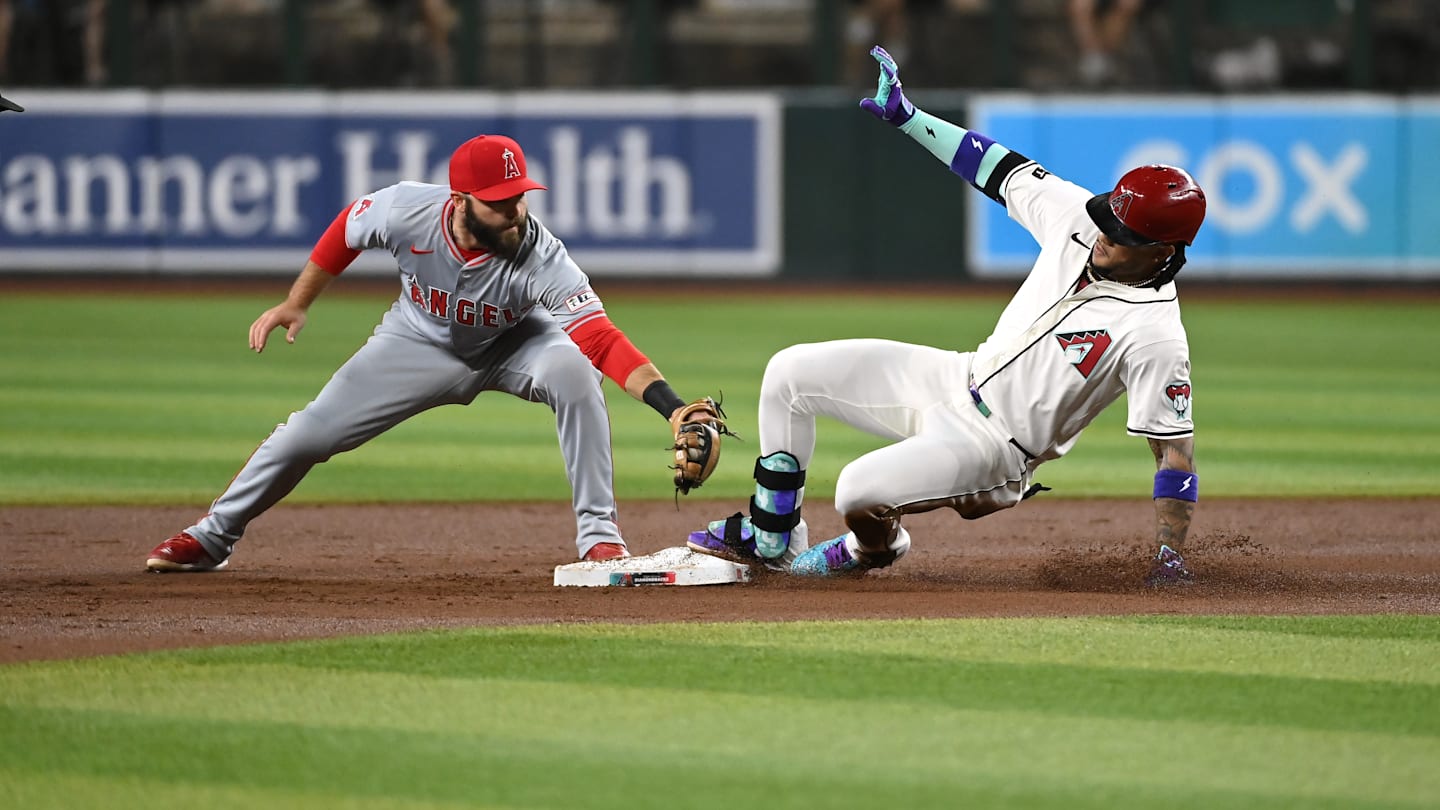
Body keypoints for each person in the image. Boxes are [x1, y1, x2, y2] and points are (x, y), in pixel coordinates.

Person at [686, 45, 1204, 586]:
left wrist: (1170, 556)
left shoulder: (1154, 335)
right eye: (1108, 219)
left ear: (1162, 252)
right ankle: (773, 537)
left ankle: (873, 548)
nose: (1104, 235)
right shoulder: (1079, 218)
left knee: (856, 490)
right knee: (788, 374)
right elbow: (997, 167)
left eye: (1122, 235)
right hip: (955, 375)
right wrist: (909, 118)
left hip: (996, 448)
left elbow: (1175, 454)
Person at [147, 133, 714, 572]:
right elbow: (347, 229)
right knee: (306, 435)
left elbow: (601, 339)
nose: (514, 212)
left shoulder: (542, 256)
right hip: (415, 340)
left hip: (517, 342)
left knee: (573, 368)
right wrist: (297, 302)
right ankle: (212, 537)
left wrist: (671, 406)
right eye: (498, 201)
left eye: (518, 197)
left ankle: (600, 539)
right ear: (460, 200)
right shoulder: (405, 209)